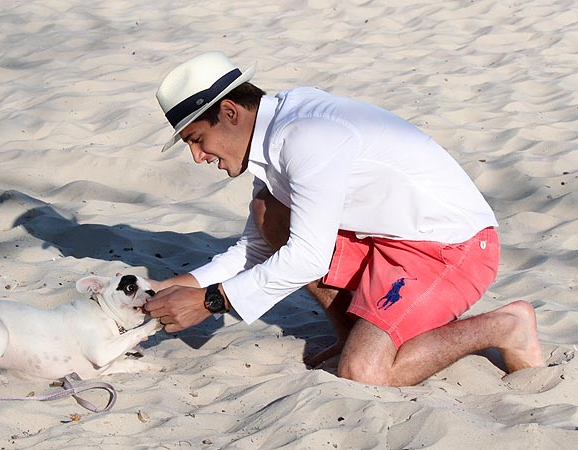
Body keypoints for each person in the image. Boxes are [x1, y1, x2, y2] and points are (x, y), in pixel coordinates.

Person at [144, 51, 544, 386]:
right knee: (269, 211)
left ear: (229, 112)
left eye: (197, 140)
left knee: (363, 372)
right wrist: (169, 288)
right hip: (385, 241)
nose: (198, 157)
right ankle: (352, 331)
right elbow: (258, 247)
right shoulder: (270, 137)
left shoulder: (304, 136)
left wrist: (212, 301)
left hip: (453, 248)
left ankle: (505, 326)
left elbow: (308, 257)